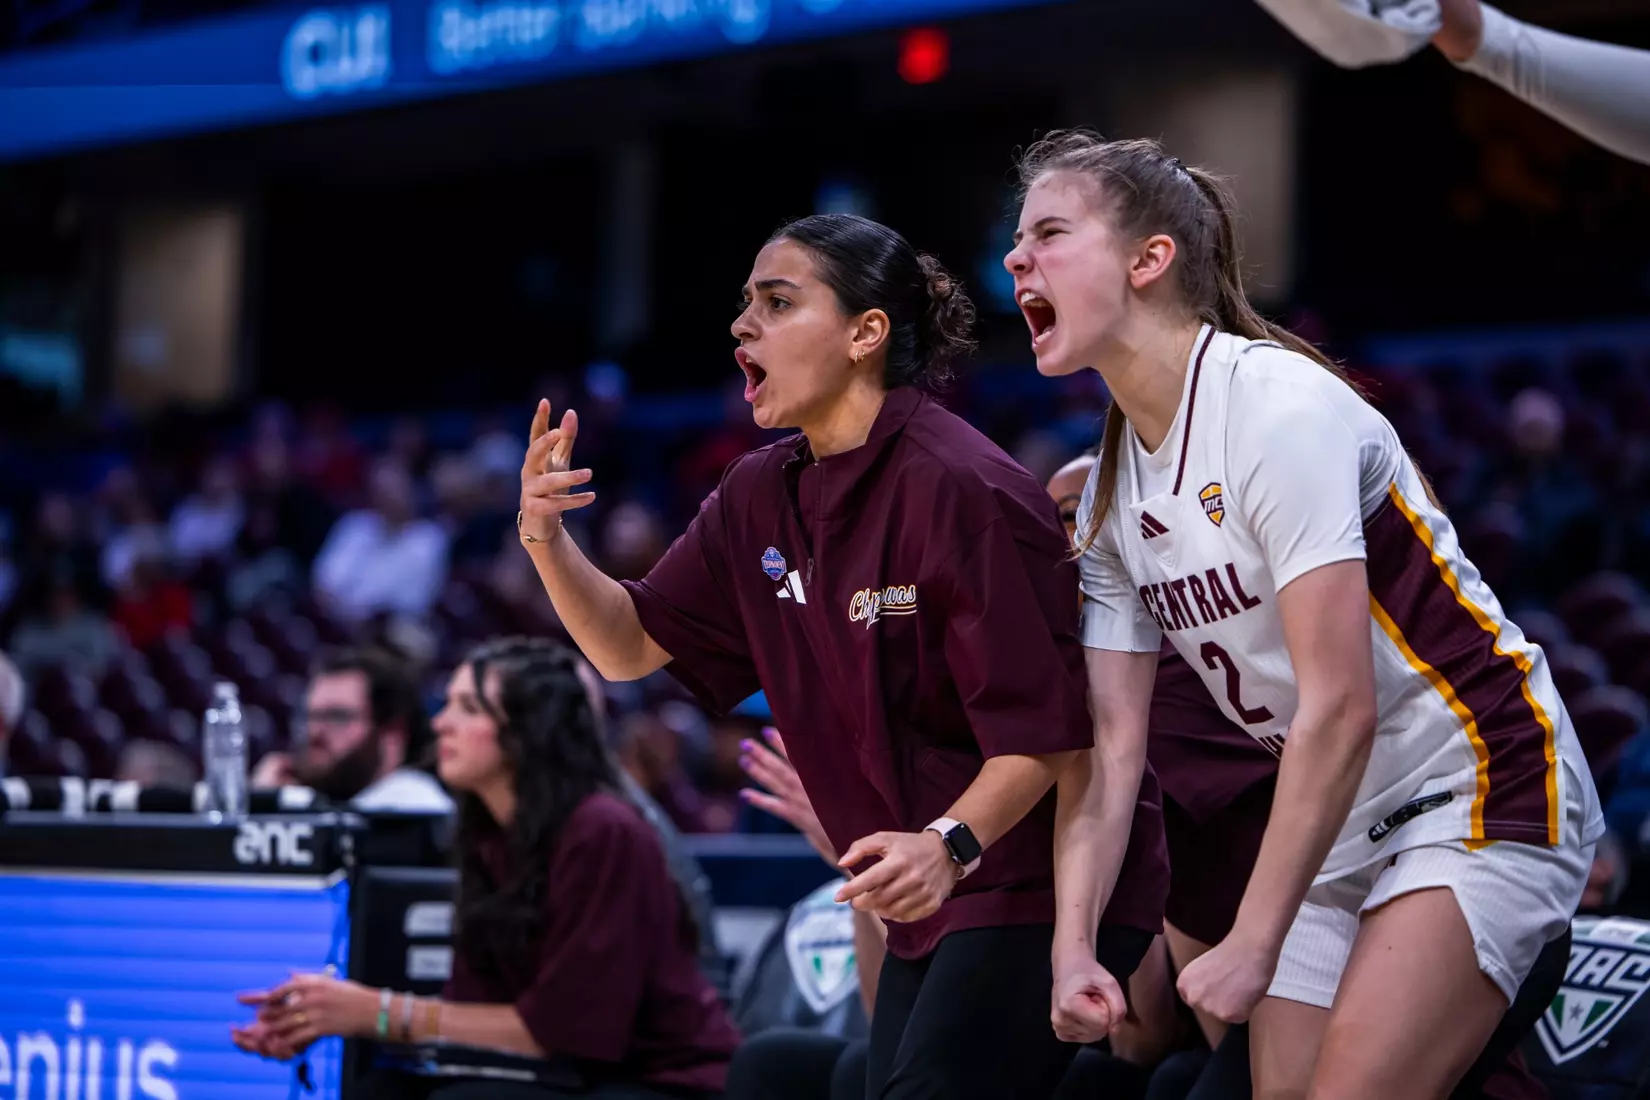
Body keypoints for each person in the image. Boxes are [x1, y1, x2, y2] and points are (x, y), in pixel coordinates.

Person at [516, 212, 1169, 1099]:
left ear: (866, 334)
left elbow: (1048, 734)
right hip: (928, 890)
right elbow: (628, 646)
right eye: (746, 303)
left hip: (1035, 880)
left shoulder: (965, 487)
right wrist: (547, 539)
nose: (743, 325)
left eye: (778, 302)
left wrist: (948, 843)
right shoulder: (756, 492)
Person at [1006, 130, 1602, 1099]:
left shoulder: (1276, 408)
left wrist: (1253, 939)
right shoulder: (1111, 487)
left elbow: (1341, 705)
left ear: (1149, 259)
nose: (1015, 258)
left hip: (1477, 775)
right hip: (1338, 816)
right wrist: (1073, 945)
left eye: (1049, 233)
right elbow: (1113, 752)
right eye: (1018, 238)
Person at [231, 636, 741, 1099]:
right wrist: (320, 1017)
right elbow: (476, 1007)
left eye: (468, 707)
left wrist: (377, 1012)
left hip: (658, 1079)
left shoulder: (602, 830)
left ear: (526, 733)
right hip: (559, 1072)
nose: (440, 723)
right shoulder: (487, 832)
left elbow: (566, 1031)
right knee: (382, 1090)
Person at [251, 646, 452, 813]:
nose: (314, 732)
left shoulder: (414, 805)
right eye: (310, 716)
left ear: (392, 735)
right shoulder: (323, 802)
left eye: (337, 717)